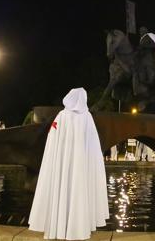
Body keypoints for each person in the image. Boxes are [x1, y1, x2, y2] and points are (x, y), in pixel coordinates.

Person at [28, 88, 109, 240]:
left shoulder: (61, 116)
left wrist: (57, 158)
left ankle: (58, 226)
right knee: (80, 189)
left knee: (62, 186)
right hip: (81, 166)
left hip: (62, 163)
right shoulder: (87, 117)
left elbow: (52, 140)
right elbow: (93, 145)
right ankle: (80, 227)